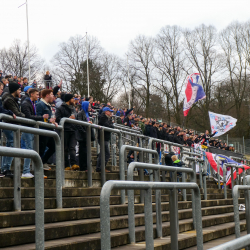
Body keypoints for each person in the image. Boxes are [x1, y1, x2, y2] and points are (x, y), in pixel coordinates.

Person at [21, 88, 49, 178]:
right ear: (32, 94)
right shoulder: (26, 103)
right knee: (29, 149)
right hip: (27, 129)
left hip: (30, 129)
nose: (38, 96)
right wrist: (41, 117)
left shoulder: (32, 103)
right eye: (37, 95)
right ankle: (25, 171)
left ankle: (27, 170)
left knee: (31, 149)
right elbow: (28, 116)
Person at [1, 82, 24, 177]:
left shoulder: (13, 99)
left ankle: (5, 168)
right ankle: (6, 168)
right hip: (9, 125)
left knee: (9, 146)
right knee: (12, 145)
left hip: (11, 125)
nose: (20, 91)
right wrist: (27, 117)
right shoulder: (9, 100)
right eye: (19, 89)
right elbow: (17, 113)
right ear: (15, 90)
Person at [55, 94, 79, 171]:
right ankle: (66, 165)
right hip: (65, 130)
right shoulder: (61, 108)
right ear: (68, 99)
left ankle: (74, 164)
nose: (74, 100)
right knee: (65, 148)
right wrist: (68, 119)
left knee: (72, 147)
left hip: (73, 130)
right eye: (72, 98)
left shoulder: (73, 109)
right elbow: (58, 119)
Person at [36, 89, 58, 170]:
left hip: (49, 130)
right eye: (52, 94)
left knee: (54, 146)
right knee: (41, 149)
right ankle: (38, 167)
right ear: (47, 95)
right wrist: (48, 121)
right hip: (43, 130)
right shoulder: (40, 104)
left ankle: (43, 161)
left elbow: (48, 118)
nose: (53, 96)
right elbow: (38, 118)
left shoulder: (48, 105)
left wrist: (53, 122)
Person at [75, 101, 93, 171]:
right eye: (89, 106)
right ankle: (83, 167)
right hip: (82, 136)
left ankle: (85, 166)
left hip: (86, 135)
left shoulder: (87, 114)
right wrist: (85, 132)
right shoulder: (80, 113)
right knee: (83, 152)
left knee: (86, 151)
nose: (90, 107)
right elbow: (79, 124)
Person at [96, 107, 114, 173]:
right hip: (102, 138)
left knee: (103, 153)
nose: (111, 113)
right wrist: (111, 123)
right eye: (110, 111)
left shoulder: (107, 118)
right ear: (106, 112)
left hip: (105, 138)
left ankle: (99, 168)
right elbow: (109, 126)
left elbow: (112, 126)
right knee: (106, 154)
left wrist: (111, 122)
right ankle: (100, 168)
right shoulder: (103, 117)